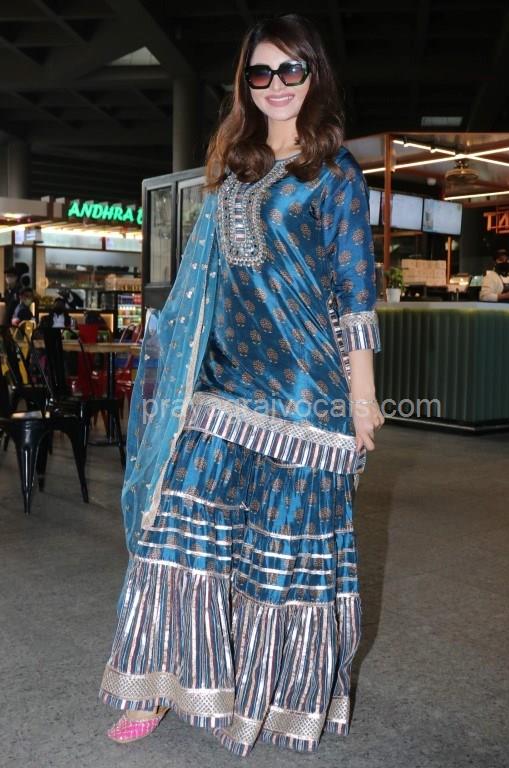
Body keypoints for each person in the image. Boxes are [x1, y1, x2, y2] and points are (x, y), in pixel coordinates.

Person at [99, 13, 384, 756]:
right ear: (245, 83)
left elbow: (355, 295)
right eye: (262, 72)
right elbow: (208, 284)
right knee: (174, 536)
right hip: (222, 386)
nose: (277, 85)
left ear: (315, 75)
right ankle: (158, 686)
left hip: (305, 398)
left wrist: (362, 401)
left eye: (292, 69)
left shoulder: (336, 175)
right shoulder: (237, 167)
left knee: (277, 560)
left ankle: (262, 701)